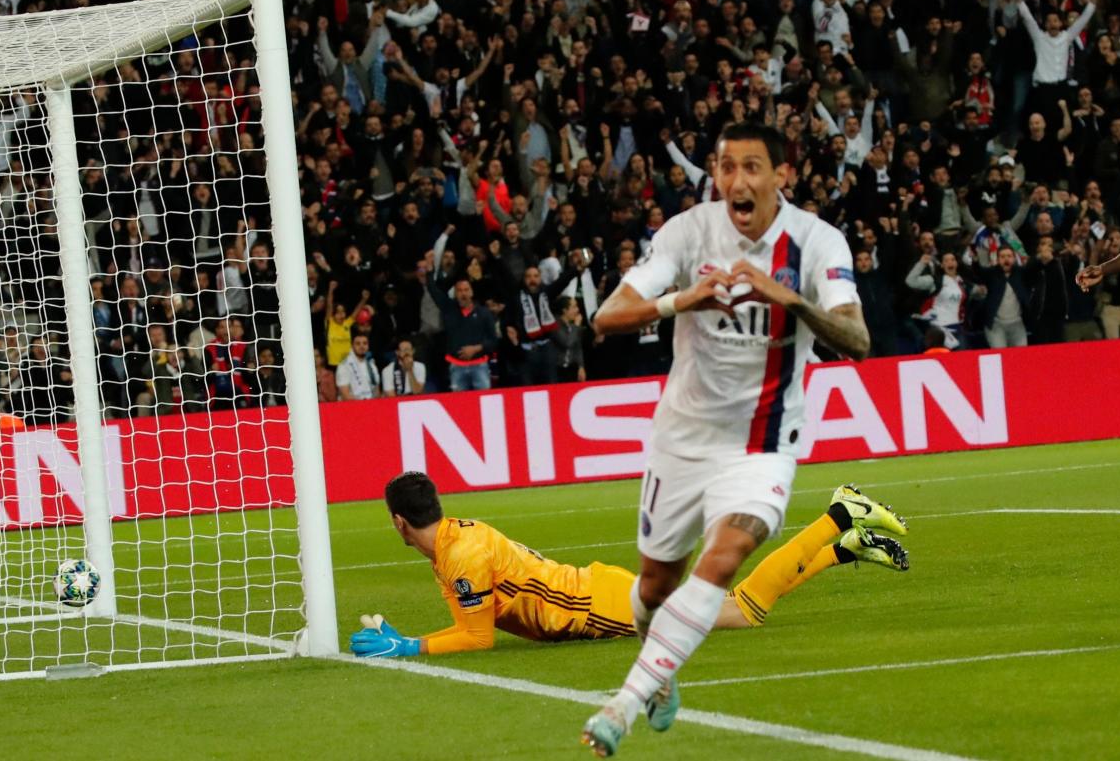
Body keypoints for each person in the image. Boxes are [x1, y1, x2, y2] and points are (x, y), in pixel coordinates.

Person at [579, 122, 903, 756]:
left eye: (751, 167)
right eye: (726, 167)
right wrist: (685, 300)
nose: (737, 180)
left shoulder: (816, 242)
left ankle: (624, 703)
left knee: (725, 556)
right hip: (682, 438)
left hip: (763, 442)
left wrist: (789, 297)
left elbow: (859, 341)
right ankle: (661, 665)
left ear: (782, 175)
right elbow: (606, 317)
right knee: (651, 590)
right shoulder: (687, 233)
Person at [349, 472, 908, 657]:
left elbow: (477, 638)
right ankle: (843, 546)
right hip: (596, 591)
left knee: (743, 612)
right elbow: (476, 619)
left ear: (400, 522)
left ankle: (838, 515)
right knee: (737, 607)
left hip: (602, 607)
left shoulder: (461, 555)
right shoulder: (453, 545)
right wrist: (414, 639)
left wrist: (411, 647)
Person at [335, 330, 380, 401]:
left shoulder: (372, 364)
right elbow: (345, 395)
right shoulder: (344, 366)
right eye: (358, 344)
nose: (362, 346)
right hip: (351, 407)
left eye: (365, 343)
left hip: (371, 405)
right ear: (352, 345)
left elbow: (376, 390)